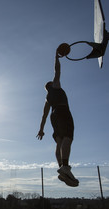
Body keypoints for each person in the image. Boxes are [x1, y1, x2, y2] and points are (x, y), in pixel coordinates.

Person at [36, 47, 79, 187]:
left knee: (59, 142)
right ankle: (65, 166)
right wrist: (56, 57)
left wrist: (41, 130)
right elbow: (57, 70)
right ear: (51, 84)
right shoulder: (55, 86)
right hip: (62, 111)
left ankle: (61, 167)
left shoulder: (47, 98)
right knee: (68, 137)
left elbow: (44, 115)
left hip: (53, 117)